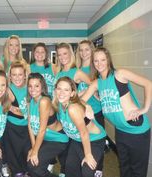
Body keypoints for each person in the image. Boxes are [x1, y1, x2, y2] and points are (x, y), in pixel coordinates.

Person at [82, 47, 152, 177]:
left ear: (108, 60)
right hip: (120, 130)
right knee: (124, 167)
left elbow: (148, 83)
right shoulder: (97, 83)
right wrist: (87, 106)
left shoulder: (119, 74)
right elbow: (81, 100)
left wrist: (144, 108)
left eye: (103, 59)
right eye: (96, 61)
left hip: (136, 130)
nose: (99, 63)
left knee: (137, 170)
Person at [54, 77, 106, 177]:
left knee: (87, 170)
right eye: (59, 88)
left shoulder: (72, 108)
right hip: (77, 140)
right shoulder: (60, 104)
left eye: (66, 90)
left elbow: (84, 133)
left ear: (72, 93)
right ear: (55, 90)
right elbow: (79, 100)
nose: (61, 92)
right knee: (70, 169)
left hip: (93, 140)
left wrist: (88, 155)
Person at [27, 73, 69, 177]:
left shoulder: (44, 101)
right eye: (30, 86)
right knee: (33, 163)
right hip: (46, 138)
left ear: (42, 87)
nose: (33, 89)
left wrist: (35, 151)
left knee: (34, 166)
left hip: (58, 139)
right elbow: (30, 125)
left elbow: (42, 130)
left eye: (36, 86)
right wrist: (33, 147)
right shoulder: (30, 101)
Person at [75, 40, 105, 176]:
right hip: (81, 112)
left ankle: (98, 169)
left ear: (92, 50)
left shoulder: (97, 68)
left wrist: (97, 93)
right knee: (84, 140)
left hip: (96, 111)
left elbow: (100, 89)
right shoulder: (77, 69)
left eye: (87, 49)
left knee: (98, 142)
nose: (84, 53)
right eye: (81, 50)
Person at [3, 61, 31, 176]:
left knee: (27, 155)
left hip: (27, 128)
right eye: (14, 75)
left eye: (20, 74)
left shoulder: (30, 88)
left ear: (25, 75)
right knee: (14, 158)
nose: (17, 78)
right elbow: (12, 109)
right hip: (12, 128)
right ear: (10, 76)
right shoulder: (8, 89)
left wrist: (25, 113)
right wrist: (26, 113)